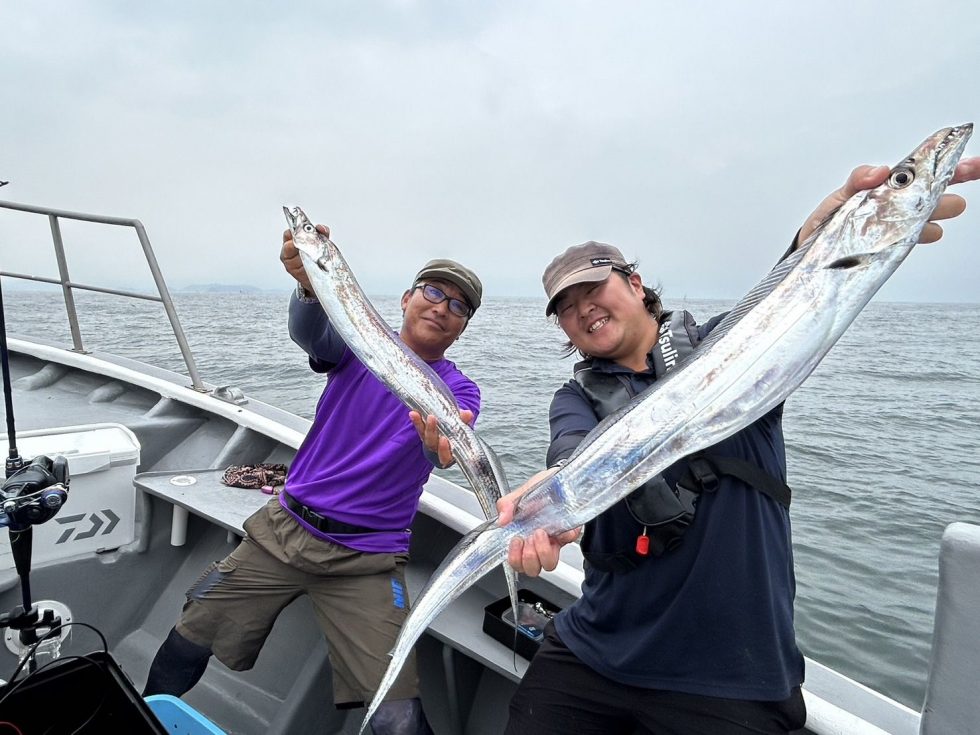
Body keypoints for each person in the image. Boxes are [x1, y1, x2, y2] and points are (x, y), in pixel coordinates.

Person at [493, 160, 980, 735]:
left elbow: (786, 308)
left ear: (635, 284)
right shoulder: (573, 397)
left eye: (592, 289)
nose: (582, 310)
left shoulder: (738, 355)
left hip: (732, 677)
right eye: (566, 308)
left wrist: (823, 239)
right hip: (595, 653)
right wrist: (557, 504)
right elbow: (570, 452)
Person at [143, 223, 485, 735]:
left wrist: (440, 446)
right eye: (434, 292)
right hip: (280, 534)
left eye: (458, 306)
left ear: (462, 327)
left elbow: (446, 451)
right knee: (188, 638)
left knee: (397, 712)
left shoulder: (461, 391)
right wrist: (309, 285)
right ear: (407, 299)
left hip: (369, 560)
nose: (442, 307)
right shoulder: (354, 345)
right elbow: (312, 333)